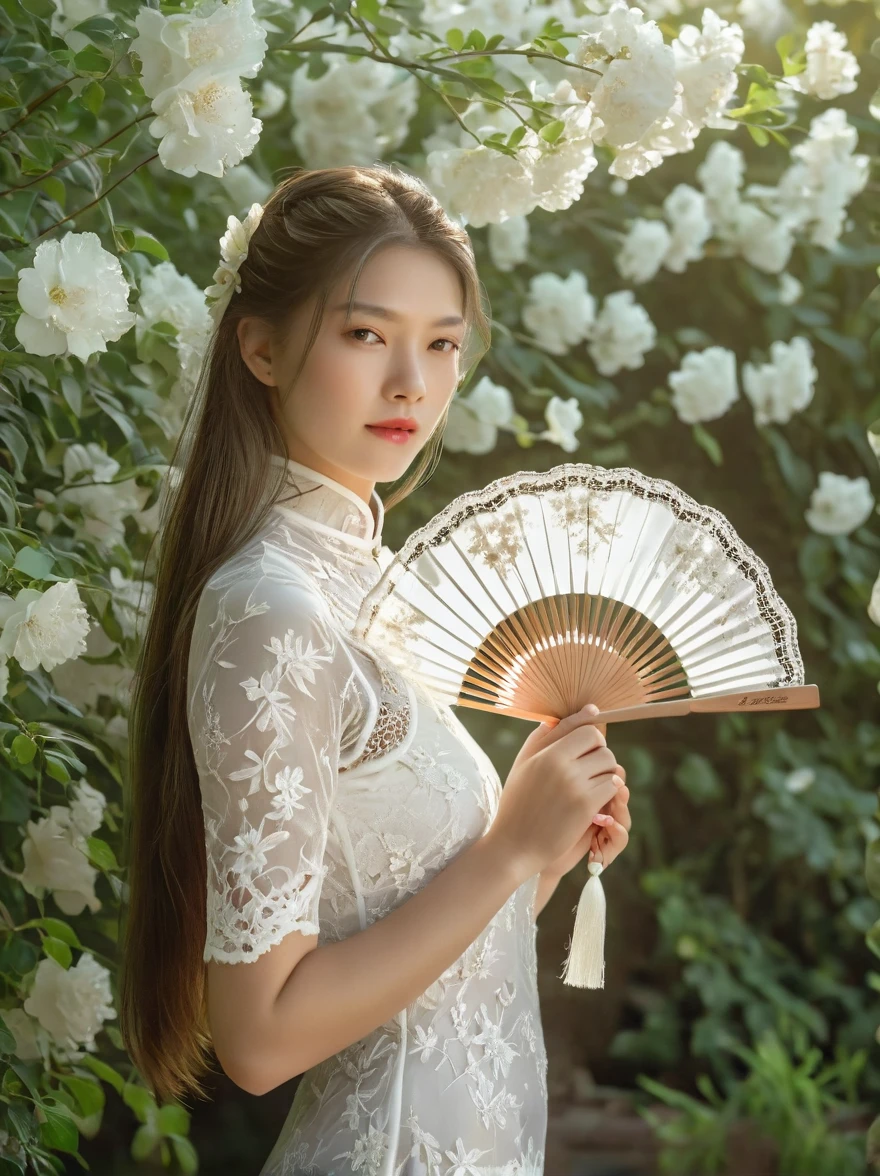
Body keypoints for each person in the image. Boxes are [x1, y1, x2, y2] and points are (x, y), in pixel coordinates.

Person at [119, 163, 631, 1176]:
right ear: (260, 347)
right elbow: (261, 1037)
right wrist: (500, 855)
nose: (412, 382)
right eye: (366, 334)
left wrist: (539, 849)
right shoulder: (271, 609)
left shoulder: (374, 593)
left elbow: (417, 970)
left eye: (441, 344)